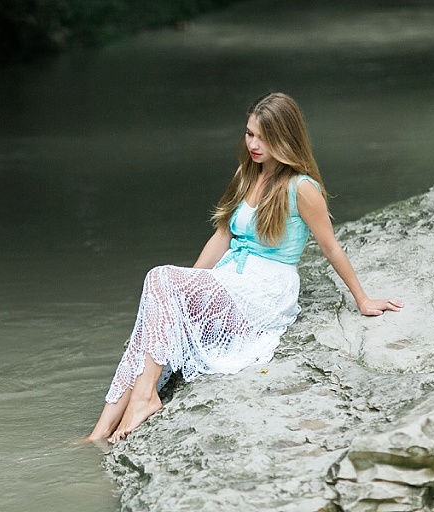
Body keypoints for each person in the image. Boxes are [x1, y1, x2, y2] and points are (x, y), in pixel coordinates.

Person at [85, 92, 403, 444]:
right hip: (230, 279)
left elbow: (330, 246)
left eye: (263, 137)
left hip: (265, 290)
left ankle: (145, 399)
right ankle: (99, 433)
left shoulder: (302, 188)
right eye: (249, 133)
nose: (253, 143)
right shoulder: (246, 174)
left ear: (285, 138)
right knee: (155, 312)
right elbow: (222, 236)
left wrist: (362, 299)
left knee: (159, 277)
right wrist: (187, 288)